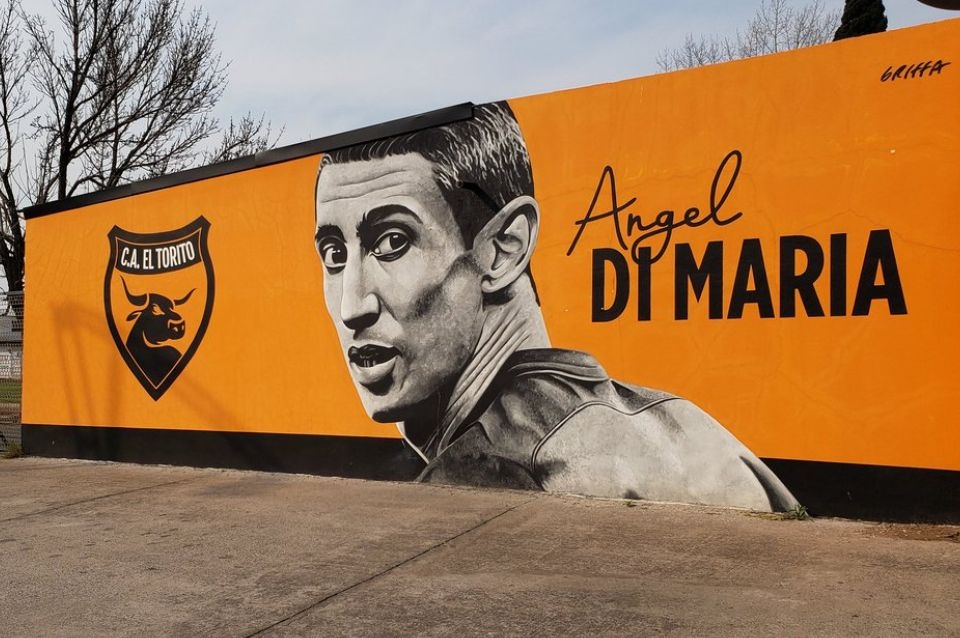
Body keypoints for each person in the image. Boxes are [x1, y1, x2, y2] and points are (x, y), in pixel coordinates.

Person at [314, 102, 797, 512]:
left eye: (393, 242)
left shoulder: (484, 479)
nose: (352, 306)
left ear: (503, 249)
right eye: (334, 254)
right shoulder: (680, 424)